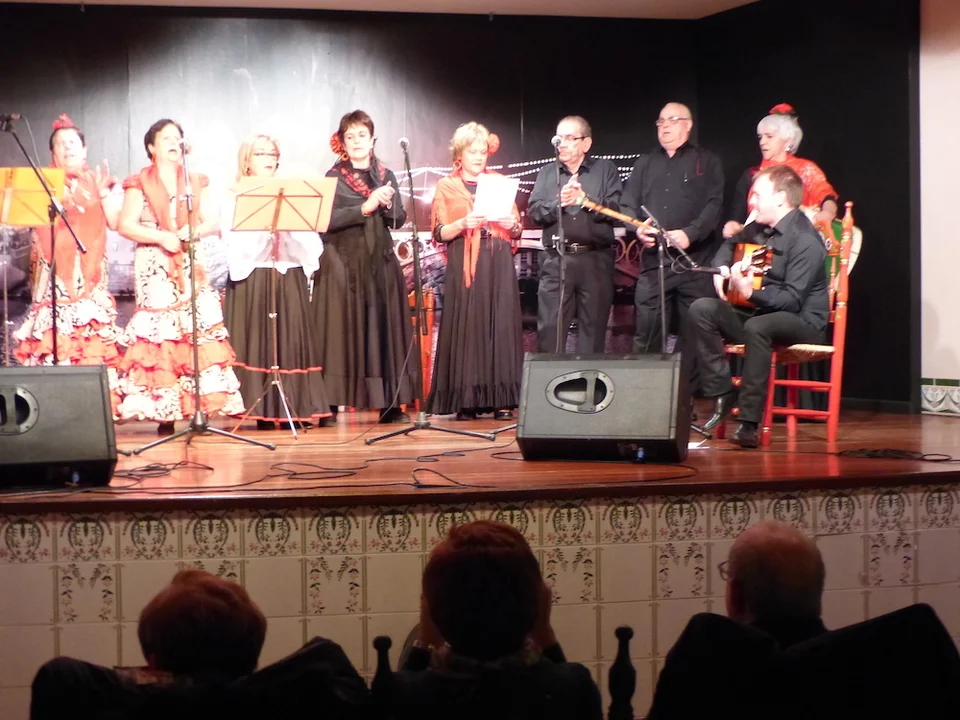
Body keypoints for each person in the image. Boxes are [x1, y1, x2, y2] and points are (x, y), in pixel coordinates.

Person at [391, 520, 602, 720]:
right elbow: (561, 686)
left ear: (431, 611)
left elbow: (403, 695)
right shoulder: (574, 688)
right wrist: (545, 635)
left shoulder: (403, 695)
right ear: (539, 603)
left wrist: (426, 640)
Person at [116, 118, 244, 435]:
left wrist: (193, 231)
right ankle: (165, 411)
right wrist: (161, 237)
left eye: (178, 138)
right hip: (155, 261)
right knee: (163, 334)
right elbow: (125, 225)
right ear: (151, 147)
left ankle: (197, 407)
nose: (174, 143)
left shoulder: (194, 181)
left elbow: (212, 220)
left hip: (189, 259)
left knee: (194, 331)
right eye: (167, 138)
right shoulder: (139, 182)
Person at [690, 165, 828, 448]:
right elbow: (730, 245)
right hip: (763, 314)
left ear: (780, 198)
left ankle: (749, 423)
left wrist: (749, 292)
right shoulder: (759, 228)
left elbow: (792, 300)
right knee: (702, 308)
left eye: (758, 195)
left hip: (803, 321)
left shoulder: (805, 239)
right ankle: (722, 393)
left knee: (757, 326)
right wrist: (721, 268)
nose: (752, 202)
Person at [311, 110, 417, 424]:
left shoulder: (385, 174)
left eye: (362, 135)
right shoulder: (333, 177)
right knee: (339, 333)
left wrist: (388, 203)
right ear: (343, 143)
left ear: (372, 139)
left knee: (382, 330)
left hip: (378, 262)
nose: (357, 141)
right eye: (350, 136)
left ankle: (388, 403)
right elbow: (325, 221)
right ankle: (331, 404)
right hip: (341, 263)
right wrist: (365, 206)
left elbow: (398, 219)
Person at [221, 134, 333, 430]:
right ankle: (262, 411)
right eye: (261, 153)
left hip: (287, 276)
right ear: (247, 161)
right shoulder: (235, 196)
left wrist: (290, 225)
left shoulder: (291, 194)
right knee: (259, 341)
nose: (268, 159)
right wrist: (264, 227)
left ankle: (293, 407)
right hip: (255, 276)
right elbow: (234, 245)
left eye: (272, 154)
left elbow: (311, 244)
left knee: (290, 340)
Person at [13, 114, 123, 412]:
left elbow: (116, 222)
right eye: (61, 144)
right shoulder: (41, 182)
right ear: (53, 153)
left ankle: (93, 408)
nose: (68, 148)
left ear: (84, 150)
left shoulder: (97, 181)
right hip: (52, 276)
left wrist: (103, 192)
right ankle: (52, 407)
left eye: (73, 143)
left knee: (89, 335)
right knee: (55, 337)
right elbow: (18, 223)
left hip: (89, 275)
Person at [426, 122, 522, 421]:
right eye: (473, 152)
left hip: (497, 259)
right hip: (465, 259)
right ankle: (467, 399)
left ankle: (502, 399)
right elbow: (439, 232)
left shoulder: (499, 183)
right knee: (468, 325)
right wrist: (462, 224)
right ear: (460, 154)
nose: (479, 157)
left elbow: (517, 230)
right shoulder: (447, 186)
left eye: (483, 152)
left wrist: (512, 225)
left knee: (500, 324)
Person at [620, 103, 723, 374]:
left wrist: (691, 233)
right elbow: (627, 205)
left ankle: (684, 392)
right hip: (655, 262)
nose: (664, 126)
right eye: (660, 121)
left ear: (688, 125)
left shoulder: (707, 161)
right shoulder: (645, 163)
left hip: (694, 260)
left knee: (693, 333)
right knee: (647, 331)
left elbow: (714, 205)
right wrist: (637, 228)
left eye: (672, 120)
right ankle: (645, 388)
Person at [527, 115, 622, 354]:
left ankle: (588, 379)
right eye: (559, 138)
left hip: (595, 261)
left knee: (593, 333)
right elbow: (535, 211)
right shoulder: (547, 173)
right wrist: (558, 203)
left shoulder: (605, 170)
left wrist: (585, 200)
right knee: (550, 333)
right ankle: (550, 379)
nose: (562, 144)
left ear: (586, 143)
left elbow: (617, 209)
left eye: (570, 138)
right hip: (557, 260)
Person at [724, 103, 838, 240]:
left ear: (788, 141)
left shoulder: (806, 169)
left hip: (797, 240)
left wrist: (828, 212)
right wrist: (733, 226)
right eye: (760, 137)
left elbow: (826, 196)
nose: (762, 142)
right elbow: (737, 217)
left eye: (769, 136)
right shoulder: (751, 174)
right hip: (759, 243)